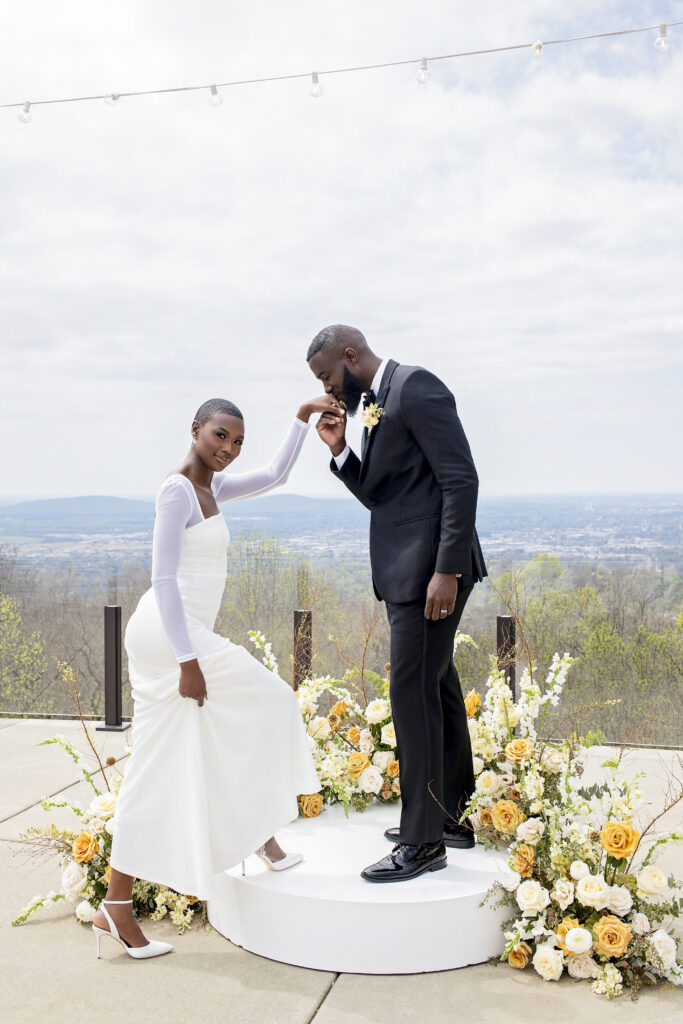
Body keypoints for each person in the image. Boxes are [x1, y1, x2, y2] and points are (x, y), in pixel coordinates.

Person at [93, 394, 342, 959]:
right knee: (269, 703)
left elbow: (276, 474)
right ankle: (122, 904)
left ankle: (252, 841)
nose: (227, 450)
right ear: (196, 430)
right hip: (169, 638)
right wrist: (187, 661)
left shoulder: (213, 488)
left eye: (236, 442)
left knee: (202, 740)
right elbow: (162, 580)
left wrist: (302, 419)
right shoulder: (177, 490)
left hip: (183, 638)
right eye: (219, 437)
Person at [308, 325, 486, 883]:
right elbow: (384, 497)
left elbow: (461, 481)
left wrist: (447, 571)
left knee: (412, 695)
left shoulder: (416, 387)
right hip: (408, 573)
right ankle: (451, 817)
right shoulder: (377, 405)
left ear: (351, 356)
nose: (329, 390)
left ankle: (422, 843)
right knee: (436, 686)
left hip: (431, 575)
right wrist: (341, 450)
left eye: (327, 376)